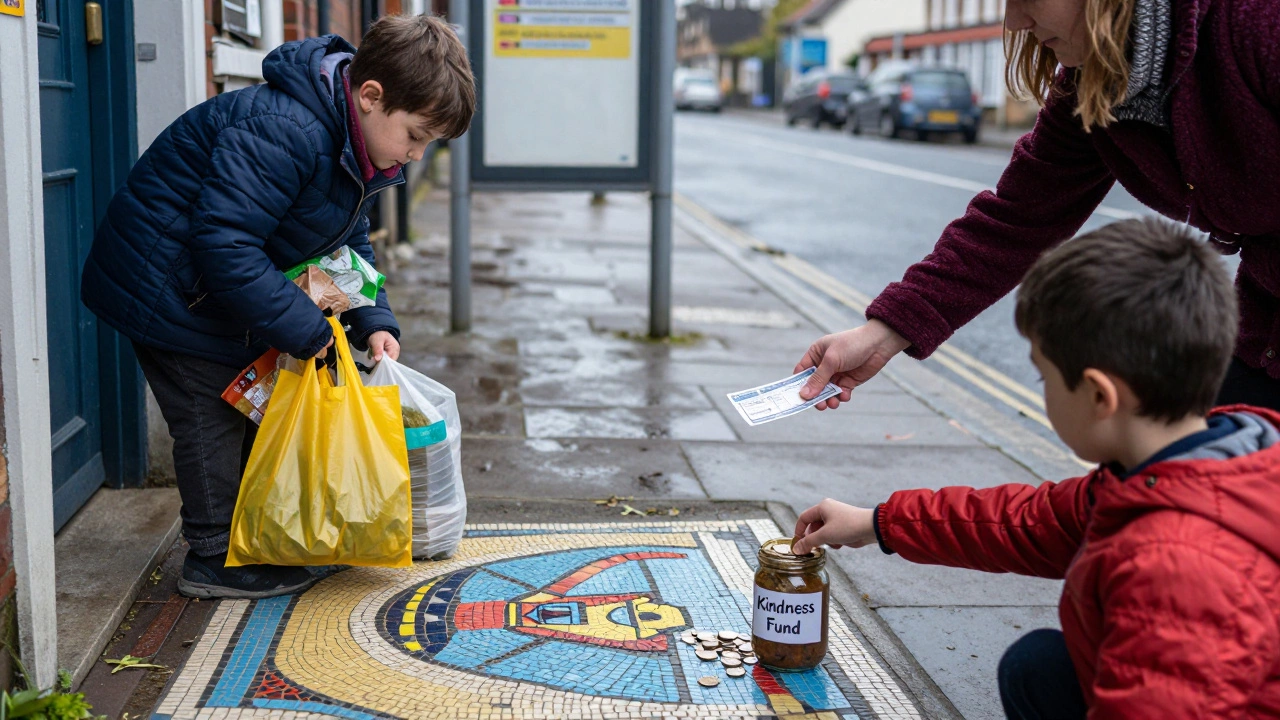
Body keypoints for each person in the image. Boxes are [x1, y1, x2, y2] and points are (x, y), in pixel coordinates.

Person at [790, 218, 1280, 718]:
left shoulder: (1173, 574)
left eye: (1044, 377)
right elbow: (1029, 522)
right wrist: (876, 523)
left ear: (1098, 396)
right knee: (1036, 666)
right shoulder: (1197, 463)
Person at [80, 15, 476, 599]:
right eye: (416, 135)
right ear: (370, 97)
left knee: (247, 411)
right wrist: (305, 330)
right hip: (168, 289)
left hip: (217, 291)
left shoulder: (354, 142)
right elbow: (224, 243)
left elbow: (347, 238)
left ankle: (250, 537)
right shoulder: (284, 130)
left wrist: (373, 319)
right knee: (206, 415)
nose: (417, 154)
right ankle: (213, 557)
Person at [794, 0, 1280, 411]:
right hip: (1262, 332)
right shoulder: (1094, 81)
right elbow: (1018, 217)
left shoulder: (1255, 24)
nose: (1014, 21)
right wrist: (885, 331)